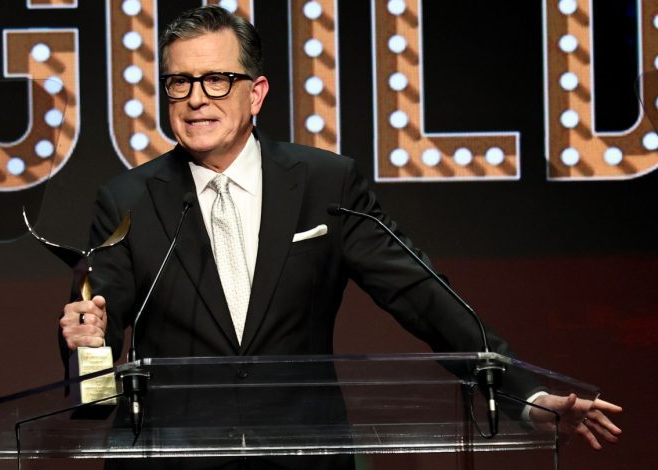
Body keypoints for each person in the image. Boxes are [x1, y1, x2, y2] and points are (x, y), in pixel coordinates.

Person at [59, 5, 621, 467]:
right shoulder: (128, 200)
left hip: (304, 456)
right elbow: (97, 340)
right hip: (174, 459)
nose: (196, 98)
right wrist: (88, 346)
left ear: (256, 93)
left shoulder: (325, 184)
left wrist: (524, 394)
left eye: (217, 80)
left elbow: (422, 296)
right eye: (179, 82)